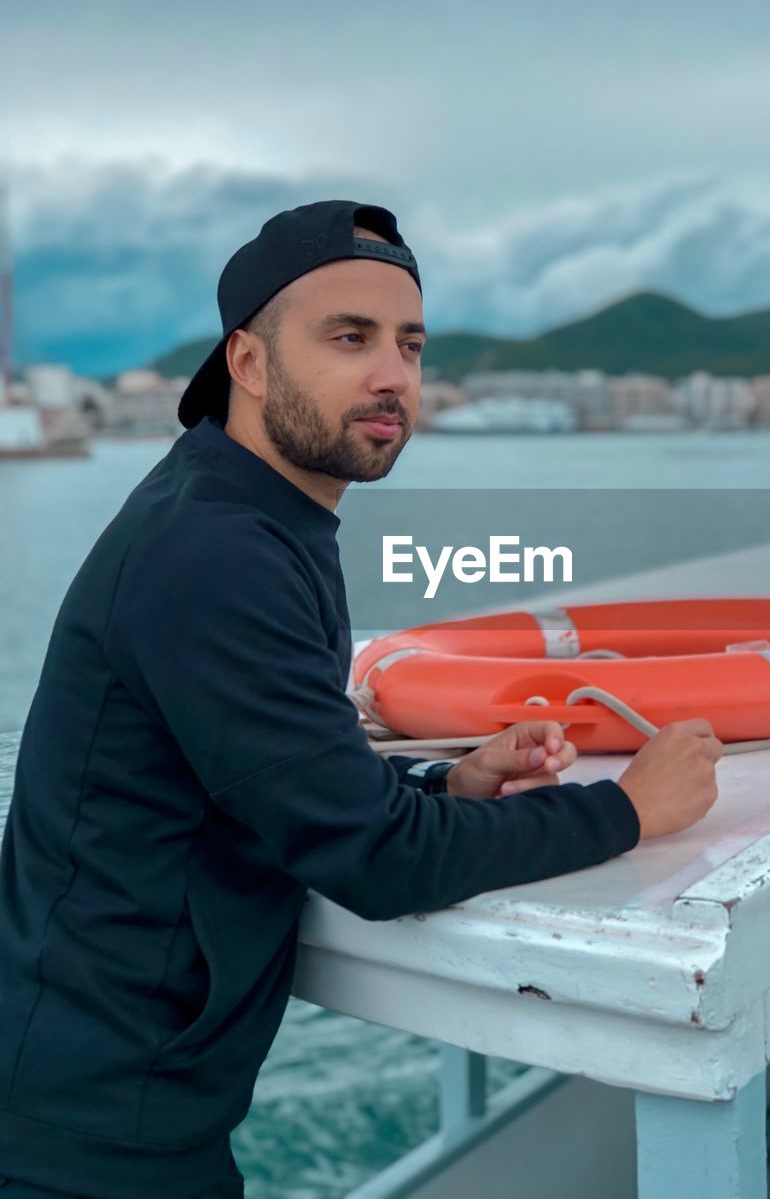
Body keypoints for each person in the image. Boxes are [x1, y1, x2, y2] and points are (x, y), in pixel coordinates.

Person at [0, 200, 722, 1198]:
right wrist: (629, 807)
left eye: (410, 344)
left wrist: (445, 780)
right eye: (350, 337)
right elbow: (378, 860)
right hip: (84, 1141)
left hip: (115, 1103)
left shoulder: (252, 513)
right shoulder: (214, 551)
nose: (394, 375)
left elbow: (271, 766)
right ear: (248, 362)